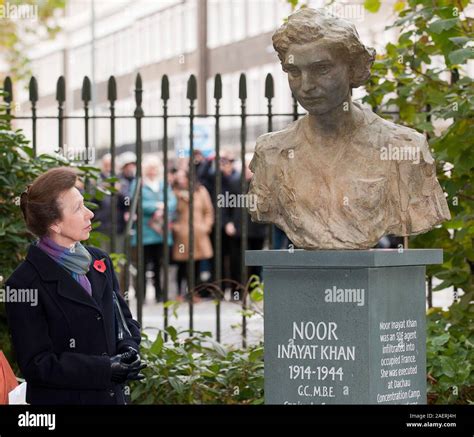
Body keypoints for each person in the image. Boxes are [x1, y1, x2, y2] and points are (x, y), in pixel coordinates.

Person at [5, 167, 145, 405]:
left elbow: (124, 321)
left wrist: (129, 349)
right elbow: (37, 364)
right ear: (55, 224)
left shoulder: (100, 260)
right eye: (78, 208)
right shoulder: (23, 283)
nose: (90, 214)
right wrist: (104, 369)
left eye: (85, 204)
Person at [130, 156, 177, 303]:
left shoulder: (163, 184)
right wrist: (157, 206)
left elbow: (172, 201)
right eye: (149, 168)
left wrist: (164, 208)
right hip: (145, 231)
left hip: (161, 231)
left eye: (154, 168)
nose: (152, 171)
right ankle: (141, 296)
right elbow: (137, 202)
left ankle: (160, 294)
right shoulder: (139, 183)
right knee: (143, 265)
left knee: (160, 264)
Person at [172, 169, 214, 299]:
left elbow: (208, 211)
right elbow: (171, 213)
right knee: (182, 264)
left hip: (198, 233)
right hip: (182, 234)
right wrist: (176, 227)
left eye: (183, 177)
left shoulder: (201, 191)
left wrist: (206, 227)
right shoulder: (173, 193)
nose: (181, 180)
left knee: (196, 264)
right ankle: (179, 293)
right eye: (178, 178)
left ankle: (194, 292)